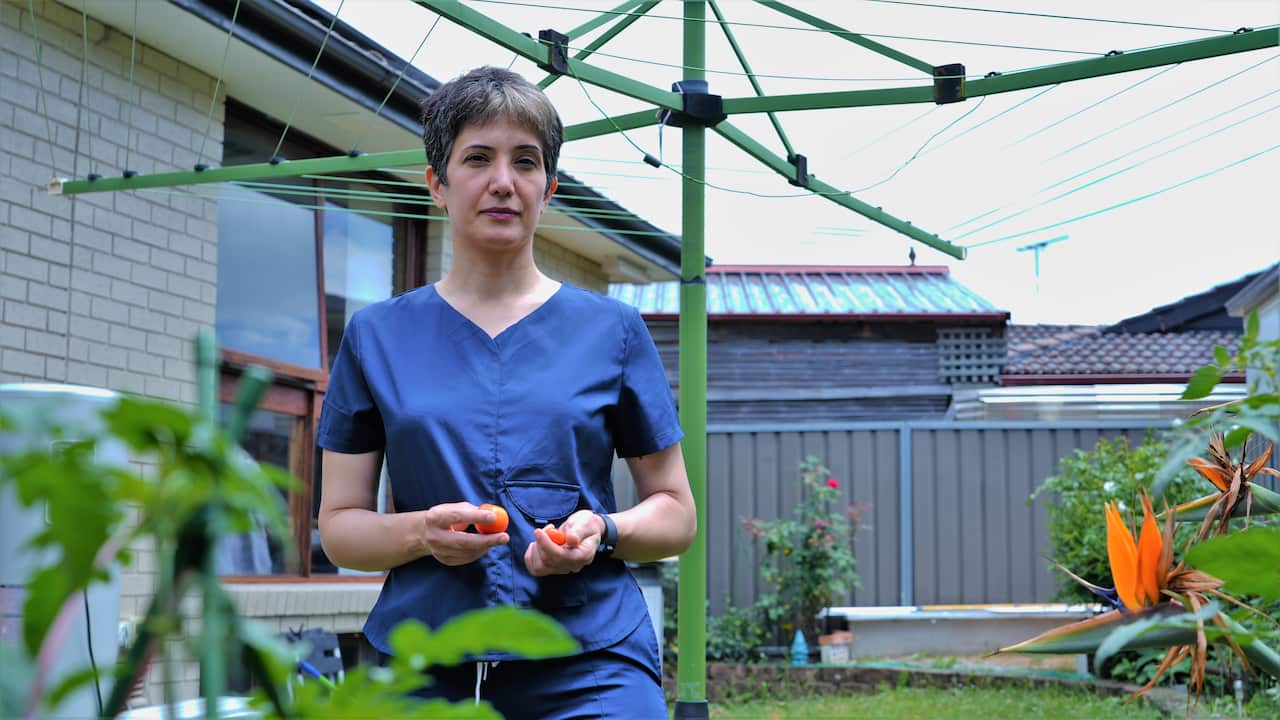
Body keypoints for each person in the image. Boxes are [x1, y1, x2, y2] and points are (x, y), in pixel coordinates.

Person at [316, 66, 696, 719]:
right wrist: (420, 533)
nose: (503, 181)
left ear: (547, 189)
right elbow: (340, 527)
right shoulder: (375, 336)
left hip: (591, 658)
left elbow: (675, 513)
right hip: (422, 663)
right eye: (478, 158)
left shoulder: (613, 331)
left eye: (525, 161)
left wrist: (602, 530)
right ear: (436, 183)